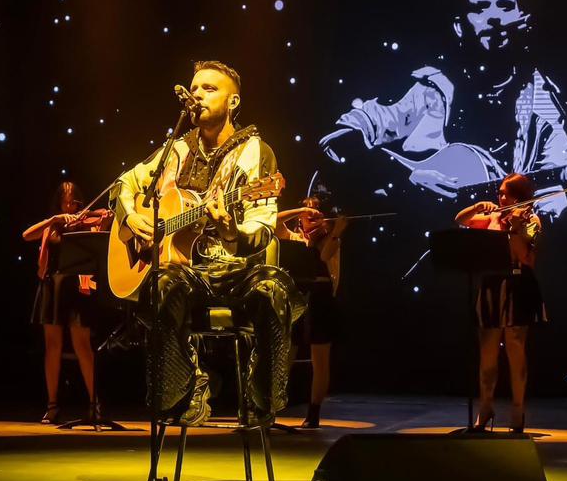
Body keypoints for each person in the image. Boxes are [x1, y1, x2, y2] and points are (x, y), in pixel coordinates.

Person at [115, 60, 305, 427]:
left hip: (238, 271)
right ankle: (184, 389)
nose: (198, 95)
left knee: (272, 290)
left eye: (209, 88)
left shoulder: (256, 152)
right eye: (194, 88)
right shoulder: (175, 150)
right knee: (158, 285)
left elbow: (263, 228)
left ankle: (262, 397)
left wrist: (232, 232)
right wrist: (131, 218)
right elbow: (124, 184)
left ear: (233, 102)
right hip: (189, 272)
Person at [320, 0, 567, 216]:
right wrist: (404, 177)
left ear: (523, 19)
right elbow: (338, 140)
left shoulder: (543, 100)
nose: (494, 18)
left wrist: (560, 204)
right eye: (481, 8)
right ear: (459, 26)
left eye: (505, 6)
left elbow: (555, 191)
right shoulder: (430, 89)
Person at [454, 173, 546, 433]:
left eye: (505, 193)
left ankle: (518, 410)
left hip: (518, 285)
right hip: (491, 286)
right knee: (487, 353)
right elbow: (460, 220)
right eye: (500, 192)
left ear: (519, 196)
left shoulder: (531, 221)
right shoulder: (493, 217)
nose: (500, 197)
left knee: (516, 349)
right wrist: (477, 207)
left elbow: (527, 259)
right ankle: (485, 408)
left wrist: (515, 228)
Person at [22, 181, 110, 424]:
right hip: (52, 285)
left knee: (83, 345)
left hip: (79, 286)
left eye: (73, 202)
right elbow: (26, 235)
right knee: (52, 346)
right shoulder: (54, 225)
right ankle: (52, 406)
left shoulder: (86, 222)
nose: (70, 207)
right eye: (65, 202)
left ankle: (94, 404)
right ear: (59, 203)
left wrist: (103, 221)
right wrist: (54, 220)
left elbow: (100, 239)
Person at [276, 196, 348, 429]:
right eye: (309, 212)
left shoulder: (330, 238)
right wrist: (300, 210)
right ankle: (272, 407)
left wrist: (336, 231)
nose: (314, 214)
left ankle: (313, 413)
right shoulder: (296, 237)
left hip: (321, 298)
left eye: (318, 210)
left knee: (320, 360)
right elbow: (275, 222)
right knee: (286, 354)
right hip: (297, 297)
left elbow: (325, 256)